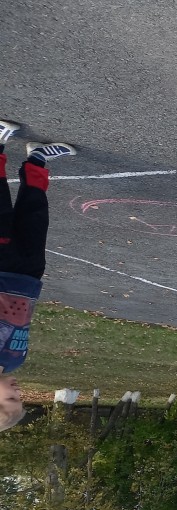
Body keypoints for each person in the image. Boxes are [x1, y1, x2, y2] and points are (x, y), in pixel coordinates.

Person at [0, 119, 76, 432]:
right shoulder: (15, 361)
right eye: (20, 399)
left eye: (11, 399)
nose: (18, 393)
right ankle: (37, 159)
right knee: (35, 216)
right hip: (28, 278)